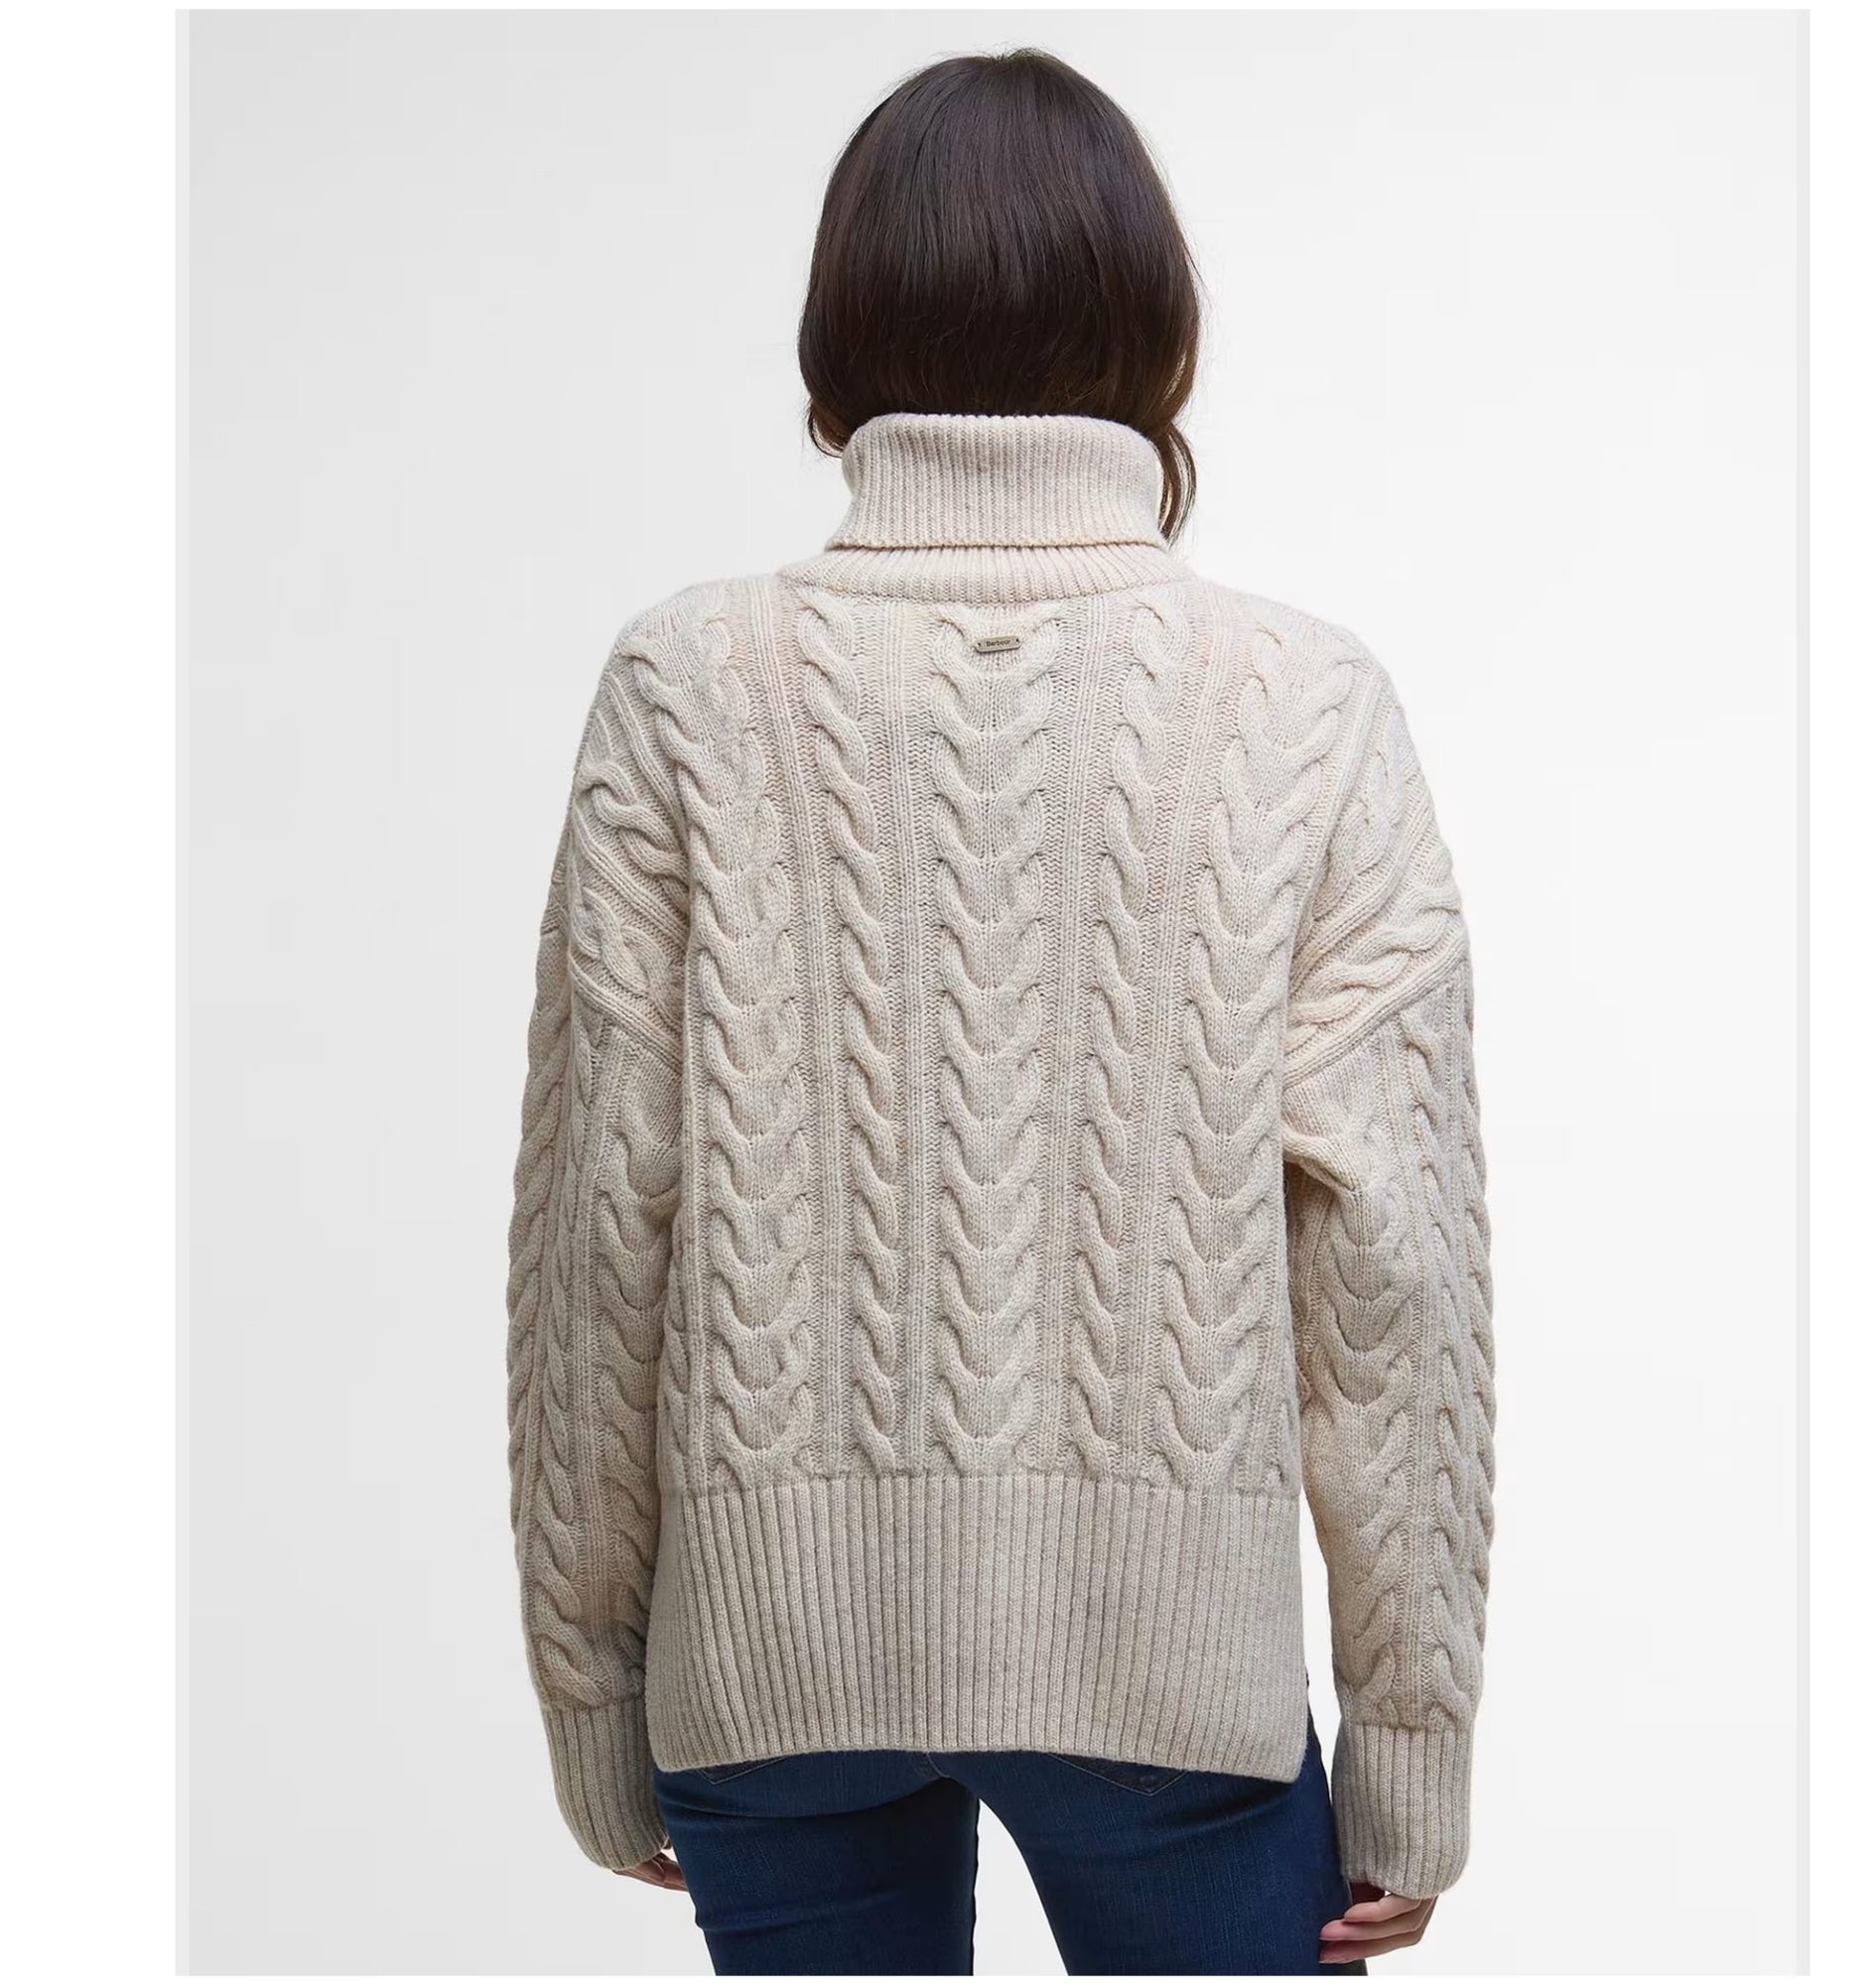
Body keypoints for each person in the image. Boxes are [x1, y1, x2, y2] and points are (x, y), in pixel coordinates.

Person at [504, 46, 1495, 1977]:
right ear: (1160, 335)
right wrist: (1412, 1746)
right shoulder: (1301, 702)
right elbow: (1397, 1268)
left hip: (773, 1665)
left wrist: (592, 1691)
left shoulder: (684, 684)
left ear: (838, 334)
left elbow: (592, 1231)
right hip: (1170, 1676)